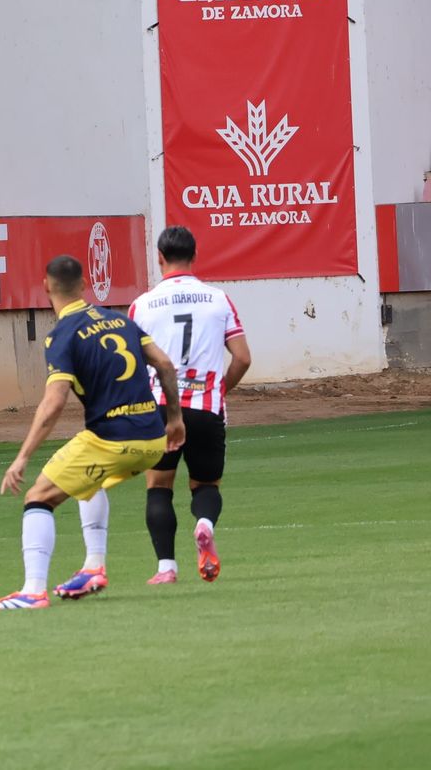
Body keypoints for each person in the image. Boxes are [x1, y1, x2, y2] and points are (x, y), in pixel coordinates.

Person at [0, 256, 185, 610]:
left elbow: (54, 403)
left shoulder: (61, 335)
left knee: (38, 497)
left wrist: (22, 458)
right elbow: (166, 364)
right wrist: (175, 419)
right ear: (83, 285)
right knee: (85, 481)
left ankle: (33, 591)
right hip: (154, 439)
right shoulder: (119, 319)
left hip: (111, 439)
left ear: (46, 286)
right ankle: (93, 567)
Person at [125, 225, 252, 588]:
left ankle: (166, 567)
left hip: (162, 407)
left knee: (158, 487)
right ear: (195, 257)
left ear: (160, 258)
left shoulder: (142, 304)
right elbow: (242, 357)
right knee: (206, 484)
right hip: (205, 407)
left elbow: (132, 366)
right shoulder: (218, 299)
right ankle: (205, 524)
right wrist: (218, 390)